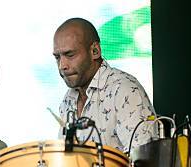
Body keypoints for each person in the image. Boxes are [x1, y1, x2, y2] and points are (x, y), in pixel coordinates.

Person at [54, 17, 157, 153]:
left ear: (95, 51)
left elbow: (146, 162)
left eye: (70, 55)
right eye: (57, 57)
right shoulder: (67, 100)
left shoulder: (124, 89)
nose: (62, 66)